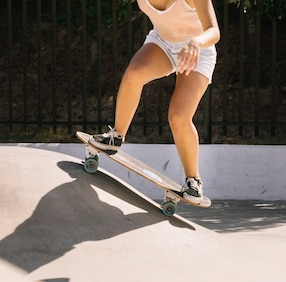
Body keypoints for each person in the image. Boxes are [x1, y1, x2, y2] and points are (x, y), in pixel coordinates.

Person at [89, 0, 220, 204]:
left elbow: (214, 31)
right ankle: (116, 136)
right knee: (133, 75)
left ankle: (193, 180)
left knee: (178, 117)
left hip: (199, 50)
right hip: (163, 43)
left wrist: (195, 42)